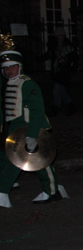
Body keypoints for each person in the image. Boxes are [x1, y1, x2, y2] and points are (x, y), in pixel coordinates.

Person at [0, 34, 68, 208]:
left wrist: (32, 134)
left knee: (20, 158)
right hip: (15, 126)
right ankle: (53, 189)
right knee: (34, 159)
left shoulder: (27, 84)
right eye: (6, 68)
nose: (9, 71)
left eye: (12, 67)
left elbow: (37, 111)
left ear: (20, 67)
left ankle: (4, 192)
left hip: (28, 125)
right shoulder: (10, 83)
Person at [48, 29, 77, 116]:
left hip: (64, 71)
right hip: (57, 70)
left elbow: (73, 58)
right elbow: (49, 54)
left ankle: (55, 108)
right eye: (58, 36)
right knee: (62, 90)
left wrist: (71, 67)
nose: (59, 37)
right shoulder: (55, 46)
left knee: (57, 90)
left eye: (61, 35)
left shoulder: (68, 47)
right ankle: (71, 107)